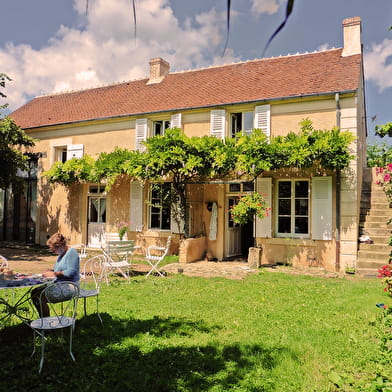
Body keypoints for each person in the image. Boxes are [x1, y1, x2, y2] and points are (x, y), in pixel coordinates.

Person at [31, 232, 80, 317]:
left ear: (60, 245)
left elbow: (71, 272)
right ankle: (44, 321)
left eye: (53, 250)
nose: (53, 252)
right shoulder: (61, 254)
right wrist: (51, 271)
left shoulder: (72, 252)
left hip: (70, 286)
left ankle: (46, 324)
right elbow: (60, 270)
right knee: (34, 292)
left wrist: (53, 273)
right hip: (60, 284)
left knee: (39, 296)